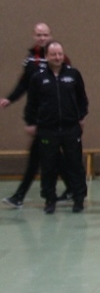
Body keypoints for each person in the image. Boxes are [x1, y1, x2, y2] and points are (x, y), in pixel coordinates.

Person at [2, 22, 70, 208]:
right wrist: (10, 99)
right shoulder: (30, 60)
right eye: (39, 35)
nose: (42, 38)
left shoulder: (59, 58)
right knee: (49, 155)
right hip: (39, 117)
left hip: (54, 118)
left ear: (50, 35)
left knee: (39, 156)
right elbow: (25, 85)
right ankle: (72, 187)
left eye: (45, 35)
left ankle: (19, 196)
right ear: (34, 36)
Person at [24, 41, 88, 214]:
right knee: (48, 166)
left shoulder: (73, 74)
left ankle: (79, 198)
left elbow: (82, 99)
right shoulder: (38, 78)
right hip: (47, 129)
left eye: (60, 54)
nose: (58, 57)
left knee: (75, 164)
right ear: (46, 56)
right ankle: (50, 199)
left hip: (71, 128)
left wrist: (81, 116)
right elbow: (32, 104)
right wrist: (31, 122)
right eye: (53, 54)